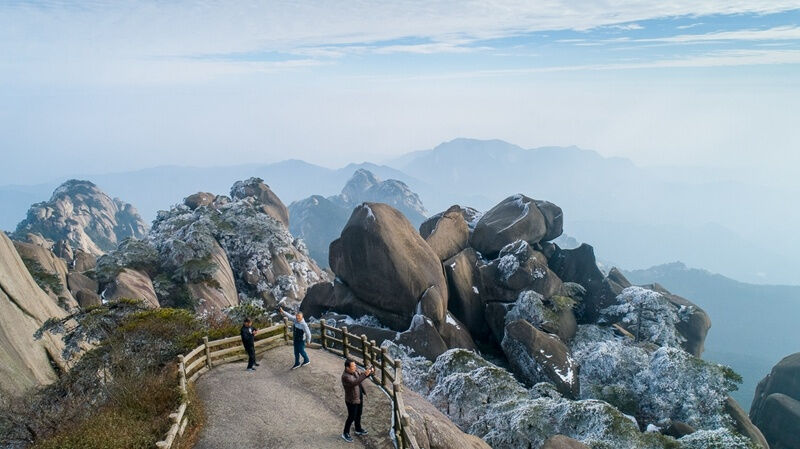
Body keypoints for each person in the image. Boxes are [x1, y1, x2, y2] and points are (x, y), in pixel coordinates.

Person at [341, 359, 374, 442]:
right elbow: (355, 382)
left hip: (358, 396)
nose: (355, 367)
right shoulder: (345, 376)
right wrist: (365, 375)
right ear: (347, 368)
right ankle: (345, 433)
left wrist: (369, 372)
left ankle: (358, 429)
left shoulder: (355, 371)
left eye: (355, 365)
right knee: (351, 417)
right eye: (353, 366)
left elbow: (362, 375)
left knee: (359, 414)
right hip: (351, 400)